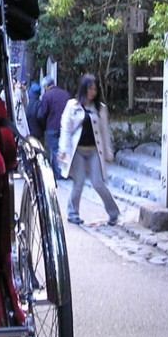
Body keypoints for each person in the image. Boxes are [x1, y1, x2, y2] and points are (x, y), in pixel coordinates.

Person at [58, 73, 119, 227]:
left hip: (94, 151)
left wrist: (108, 152)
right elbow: (66, 128)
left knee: (98, 182)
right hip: (77, 150)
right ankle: (73, 213)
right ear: (83, 88)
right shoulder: (72, 106)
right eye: (89, 88)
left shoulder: (100, 108)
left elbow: (104, 132)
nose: (92, 92)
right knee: (78, 182)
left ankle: (113, 212)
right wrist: (63, 149)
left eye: (95, 89)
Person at [37, 77, 70, 181]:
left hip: (52, 126)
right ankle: (66, 171)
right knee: (64, 150)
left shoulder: (47, 96)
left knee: (55, 150)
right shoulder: (65, 94)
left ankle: (58, 173)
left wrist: (43, 124)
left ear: (46, 86)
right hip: (66, 127)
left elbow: (43, 113)